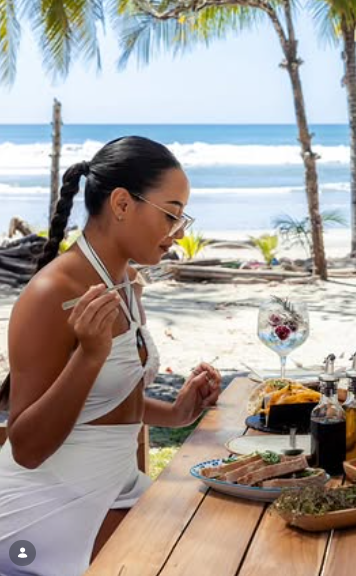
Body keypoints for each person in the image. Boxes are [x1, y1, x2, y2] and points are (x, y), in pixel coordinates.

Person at [0, 136, 222, 575]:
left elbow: (104, 403)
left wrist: (176, 414)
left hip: (117, 489)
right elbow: (26, 447)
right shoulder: (52, 293)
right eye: (171, 214)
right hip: (46, 509)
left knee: (226, 537)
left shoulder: (125, 285)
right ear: (122, 203)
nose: (179, 232)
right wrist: (89, 358)